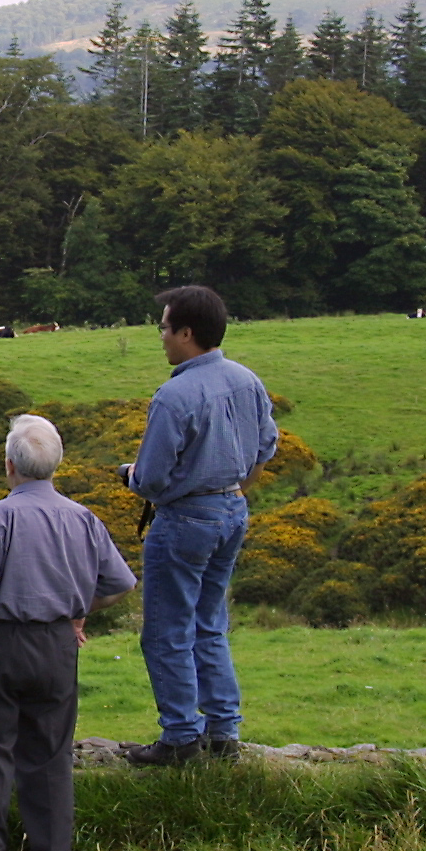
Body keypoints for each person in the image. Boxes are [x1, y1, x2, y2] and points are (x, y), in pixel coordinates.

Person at [0, 414, 137, 851]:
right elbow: (121, 585)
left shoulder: (0, 515)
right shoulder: (83, 518)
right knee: (50, 751)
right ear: (57, 466)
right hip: (57, 644)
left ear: (10, 465)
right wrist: (77, 612)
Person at [118, 285, 279, 767]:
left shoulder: (174, 394)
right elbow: (267, 446)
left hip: (186, 518)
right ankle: (224, 731)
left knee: (166, 629)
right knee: (210, 622)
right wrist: (234, 485)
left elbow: (151, 478)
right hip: (232, 510)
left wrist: (129, 476)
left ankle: (181, 738)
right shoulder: (247, 379)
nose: (162, 337)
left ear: (186, 333)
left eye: (164, 328)